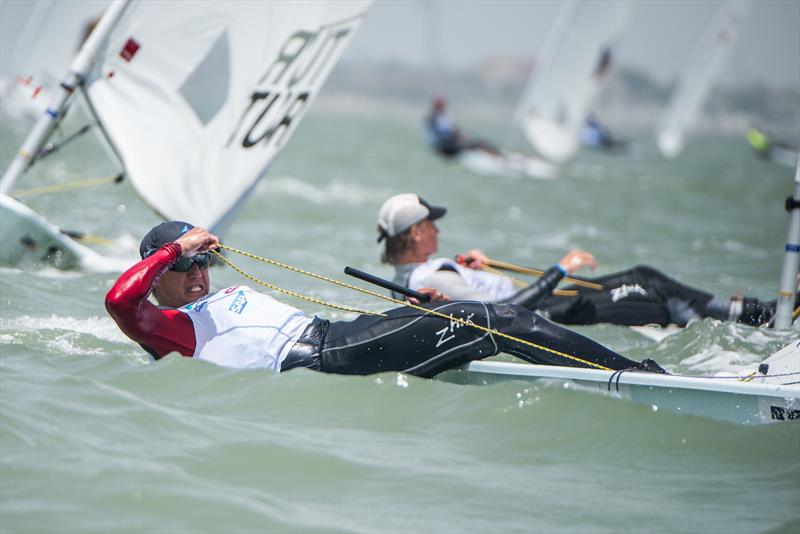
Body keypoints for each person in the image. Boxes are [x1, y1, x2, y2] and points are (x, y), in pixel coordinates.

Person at [105, 221, 665, 377]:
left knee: (455, 316)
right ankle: (636, 376)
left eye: (201, 262)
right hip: (322, 356)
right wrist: (175, 246)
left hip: (334, 334)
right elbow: (117, 301)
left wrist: (413, 311)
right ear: (158, 274)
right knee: (498, 318)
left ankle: (590, 366)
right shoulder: (165, 327)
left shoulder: (208, 298)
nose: (197, 273)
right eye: (183, 267)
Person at [377, 193, 782, 328]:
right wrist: (560, 269)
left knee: (642, 275)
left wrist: (474, 266)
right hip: (550, 315)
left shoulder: (427, 271)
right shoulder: (433, 279)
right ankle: (757, 318)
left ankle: (750, 312)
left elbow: (472, 292)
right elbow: (500, 313)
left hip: (551, 304)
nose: (438, 231)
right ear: (415, 233)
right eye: (432, 225)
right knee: (650, 293)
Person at [424, 97, 501, 158]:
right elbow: (443, 134)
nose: (445, 106)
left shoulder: (435, 117)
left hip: (442, 148)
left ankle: (495, 154)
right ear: (439, 106)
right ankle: (499, 157)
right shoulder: (436, 117)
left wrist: (456, 132)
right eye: (443, 104)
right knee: (481, 143)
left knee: (476, 142)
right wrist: (457, 134)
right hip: (446, 149)